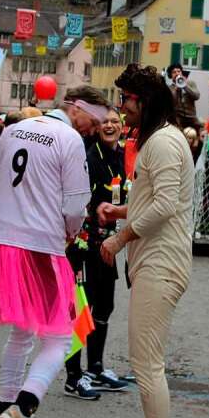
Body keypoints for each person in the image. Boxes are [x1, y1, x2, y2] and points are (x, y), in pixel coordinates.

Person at [0, 86, 110, 418]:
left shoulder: (14, 129)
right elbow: (75, 203)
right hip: (42, 246)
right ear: (76, 108)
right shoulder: (68, 139)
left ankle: (1, 415)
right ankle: (23, 408)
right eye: (94, 121)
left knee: (21, 329)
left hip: (4, 242)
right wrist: (71, 230)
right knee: (63, 335)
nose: (94, 129)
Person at [95, 64, 193, 418]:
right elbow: (154, 199)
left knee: (147, 362)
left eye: (127, 100)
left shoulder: (164, 143)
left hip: (161, 262)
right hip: (154, 260)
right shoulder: (160, 140)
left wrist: (119, 239)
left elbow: (166, 206)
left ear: (145, 101)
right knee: (145, 359)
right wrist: (120, 211)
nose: (121, 108)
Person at [63, 108, 131, 400]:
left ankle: (96, 367)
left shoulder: (123, 156)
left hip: (108, 243)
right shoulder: (89, 158)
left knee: (104, 307)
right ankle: (73, 377)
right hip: (84, 245)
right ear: (96, 126)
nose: (110, 125)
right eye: (105, 121)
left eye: (115, 121)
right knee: (80, 311)